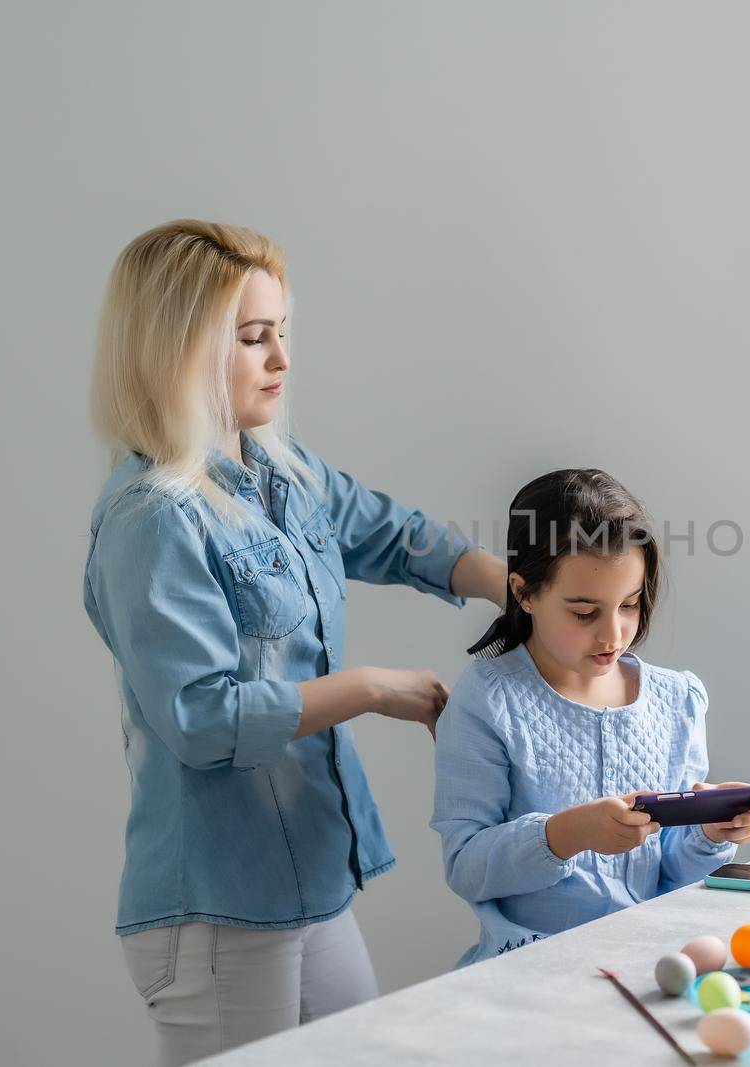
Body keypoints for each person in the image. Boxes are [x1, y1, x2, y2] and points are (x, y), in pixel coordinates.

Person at [82, 219, 508, 1064]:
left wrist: (513, 585)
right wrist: (371, 690)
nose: (280, 357)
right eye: (251, 337)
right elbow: (202, 719)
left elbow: (390, 533)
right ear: (179, 349)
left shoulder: (281, 470)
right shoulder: (152, 519)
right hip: (214, 914)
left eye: (283, 332)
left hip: (306, 888)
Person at [432, 468, 750, 964]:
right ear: (524, 593)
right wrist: (567, 835)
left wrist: (711, 832)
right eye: (584, 613)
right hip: (530, 968)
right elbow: (466, 866)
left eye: (630, 605)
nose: (613, 635)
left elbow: (675, 870)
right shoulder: (489, 699)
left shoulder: (677, 700)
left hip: (650, 962)